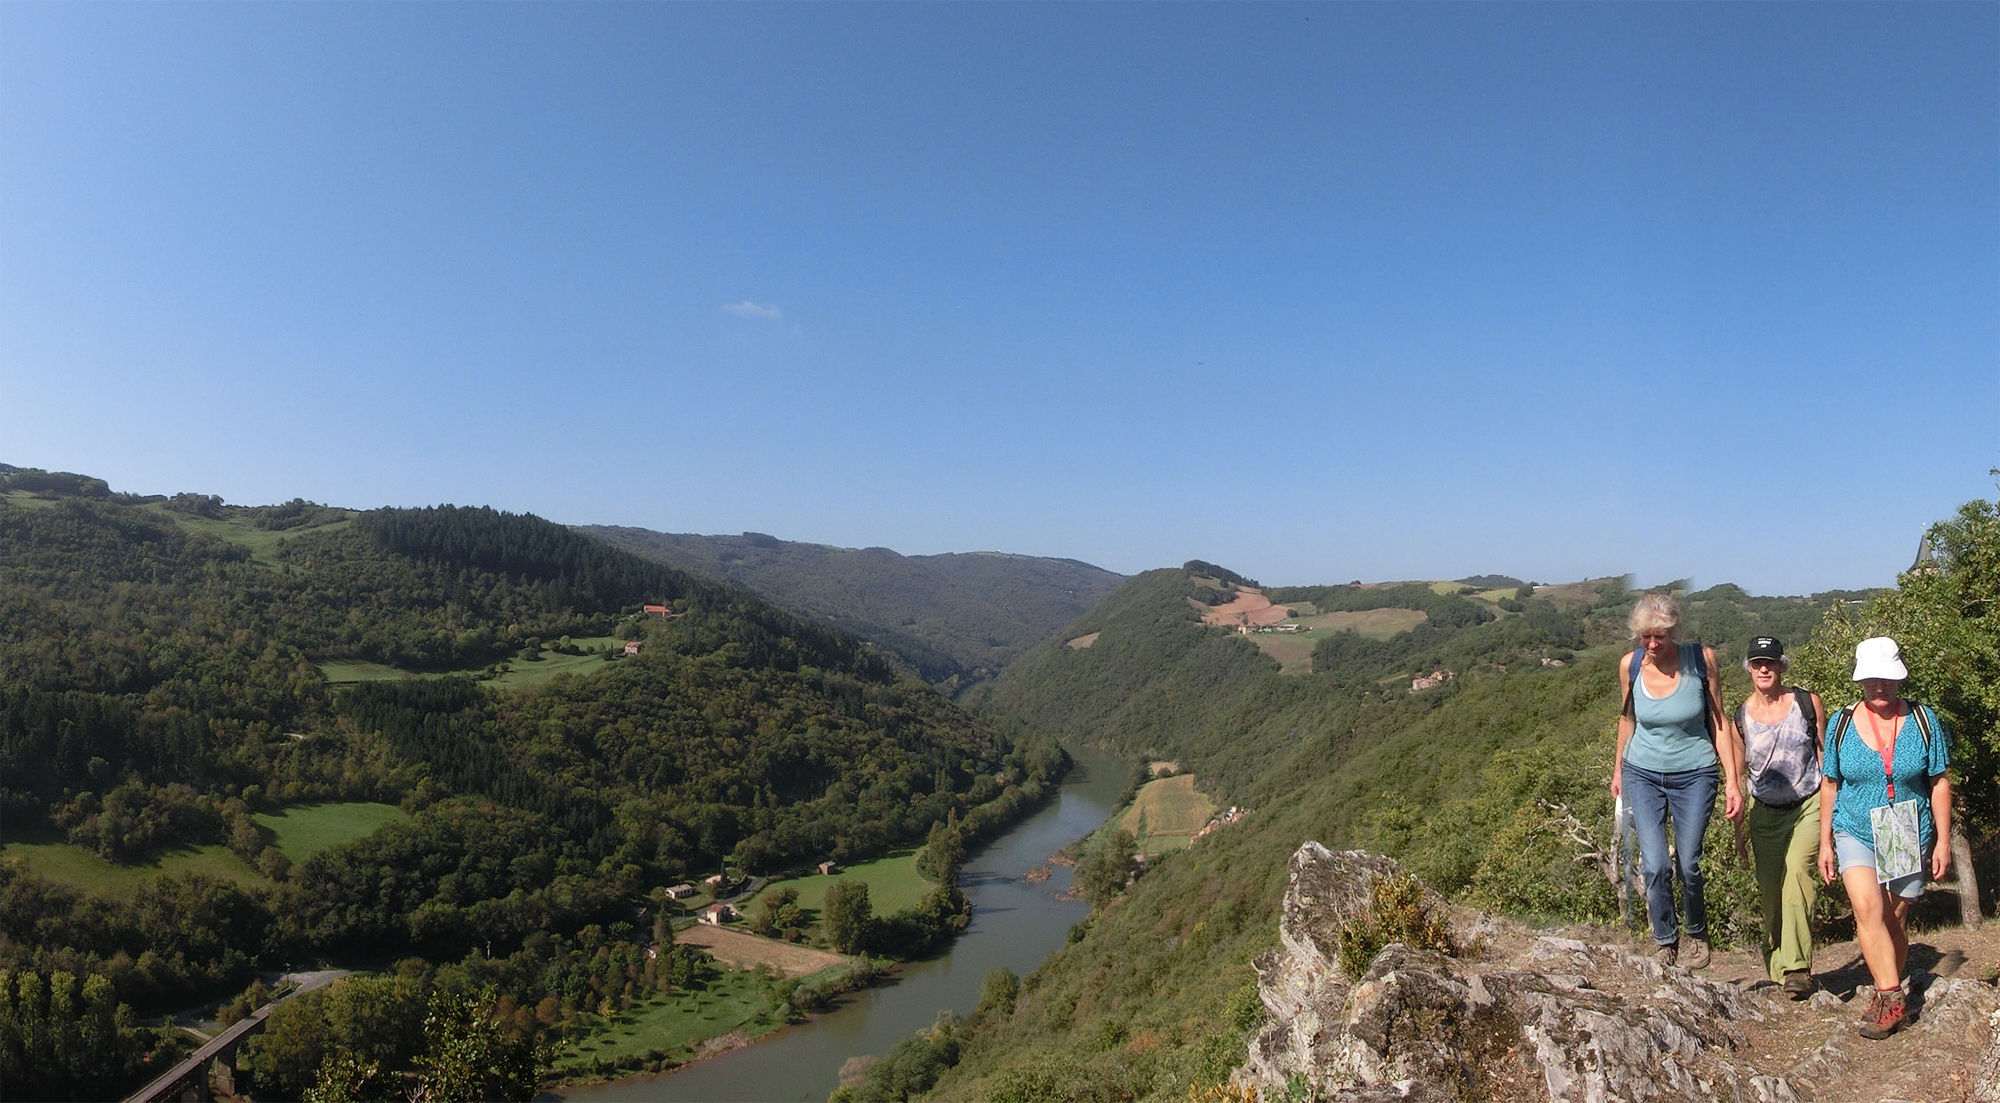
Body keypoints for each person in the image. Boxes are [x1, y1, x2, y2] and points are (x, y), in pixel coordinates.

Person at [1816, 636, 1952, 1040]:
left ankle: (1885, 988)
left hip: (1906, 828)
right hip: (1854, 826)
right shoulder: (1841, 723)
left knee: (1893, 920)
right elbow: (1829, 784)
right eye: (1873, 680)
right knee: (1866, 909)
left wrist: (1943, 840)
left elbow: (1939, 782)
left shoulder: (1924, 721)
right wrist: (1826, 840)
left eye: (1888, 680)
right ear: (1861, 680)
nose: (1880, 688)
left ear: (1899, 679)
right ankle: (1892, 998)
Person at [1610, 593, 1743, 968]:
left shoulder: (1702, 661)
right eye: (1645, 637)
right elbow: (1626, 719)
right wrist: (1618, 769)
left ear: (1674, 631)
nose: (1653, 645)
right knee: (1654, 864)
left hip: (1695, 772)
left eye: (1661, 637)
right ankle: (1665, 940)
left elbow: (1719, 722)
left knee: (1688, 863)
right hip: (1643, 772)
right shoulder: (1630, 666)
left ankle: (1697, 931)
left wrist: (1733, 781)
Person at [1730, 636, 1825, 999]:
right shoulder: (1741, 716)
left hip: (1807, 804)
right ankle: (1778, 966)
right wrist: (1739, 831)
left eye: (1770, 662)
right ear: (1749, 668)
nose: (1764, 669)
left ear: (1782, 665)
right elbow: (1738, 776)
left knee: (1797, 874)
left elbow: (1823, 756)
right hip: (1764, 811)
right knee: (1770, 892)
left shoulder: (1806, 702)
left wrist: (1834, 819)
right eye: (1757, 663)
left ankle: (1798, 968)